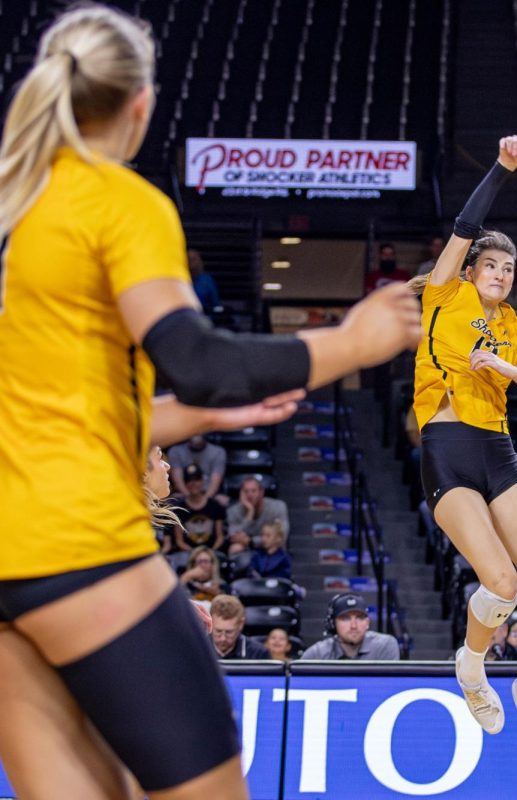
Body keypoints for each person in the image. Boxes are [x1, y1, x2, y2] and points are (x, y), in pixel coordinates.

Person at [0, 8, 422, 797]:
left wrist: (196, 419)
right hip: (77, 546)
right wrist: (353, 343)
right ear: (139, 105)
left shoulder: (17, 208)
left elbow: (49, 406)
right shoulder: (112, 201)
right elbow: (197, 359)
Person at [407, 135, 517, 767]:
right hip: (448, 447)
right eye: (491, 266)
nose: (501, 275)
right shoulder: (444, 295)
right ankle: (472, 667)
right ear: (471, 271)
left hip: (498, 450)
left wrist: (509, 369)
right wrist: (503, 171)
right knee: (500, 585)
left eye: (509, 269)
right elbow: (465, 224)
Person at [300, 594, 401, 660]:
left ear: (367, 622)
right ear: (333, 623)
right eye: (345, 619)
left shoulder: (384, 646)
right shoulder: (317, 654)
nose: (353, 626)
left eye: (360, 618)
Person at [225, 476, 290, 554]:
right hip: (247, 549)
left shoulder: (278, 507)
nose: (249, 495)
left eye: (253, 491)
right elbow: (233, 537)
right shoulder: (232, 511)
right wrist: (249, 515)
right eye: (246, 491)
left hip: (271, 548)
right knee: (235, 548)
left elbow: (282, 535)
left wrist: (251, 541)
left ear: (261, 492)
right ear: (240, 494)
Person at [171, 464, 227, 553]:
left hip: (212, 552)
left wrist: (209, 553)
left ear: (202, 481)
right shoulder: (179, 508)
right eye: (189, 480)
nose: (193, 483)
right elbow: (179, 541)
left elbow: (220, 537)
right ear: (185, 484)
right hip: (187, 553)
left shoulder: (215, 506)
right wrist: (195, 554)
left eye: (196, 479)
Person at [209, 595, 269, 660]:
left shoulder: (258, 653)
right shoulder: (198, 649)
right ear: (210, 622)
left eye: (229, 632)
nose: (223, 638)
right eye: (218, 631)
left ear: (241, 624)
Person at [168, 434, 226, 499]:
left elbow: (215, 482)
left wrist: (204, 500)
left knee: (221, 500)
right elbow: (177, 480)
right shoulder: (175, 451)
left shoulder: (218, 452)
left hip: (207, 494)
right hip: (185, 494)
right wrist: (191, 498)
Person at [187, 248, 220, 315]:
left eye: (194, 259)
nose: (191, 263)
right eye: (188, 260)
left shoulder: (207, 280)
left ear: (200, 261)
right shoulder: (178, 281)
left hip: (205, 318)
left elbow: (216, 306)